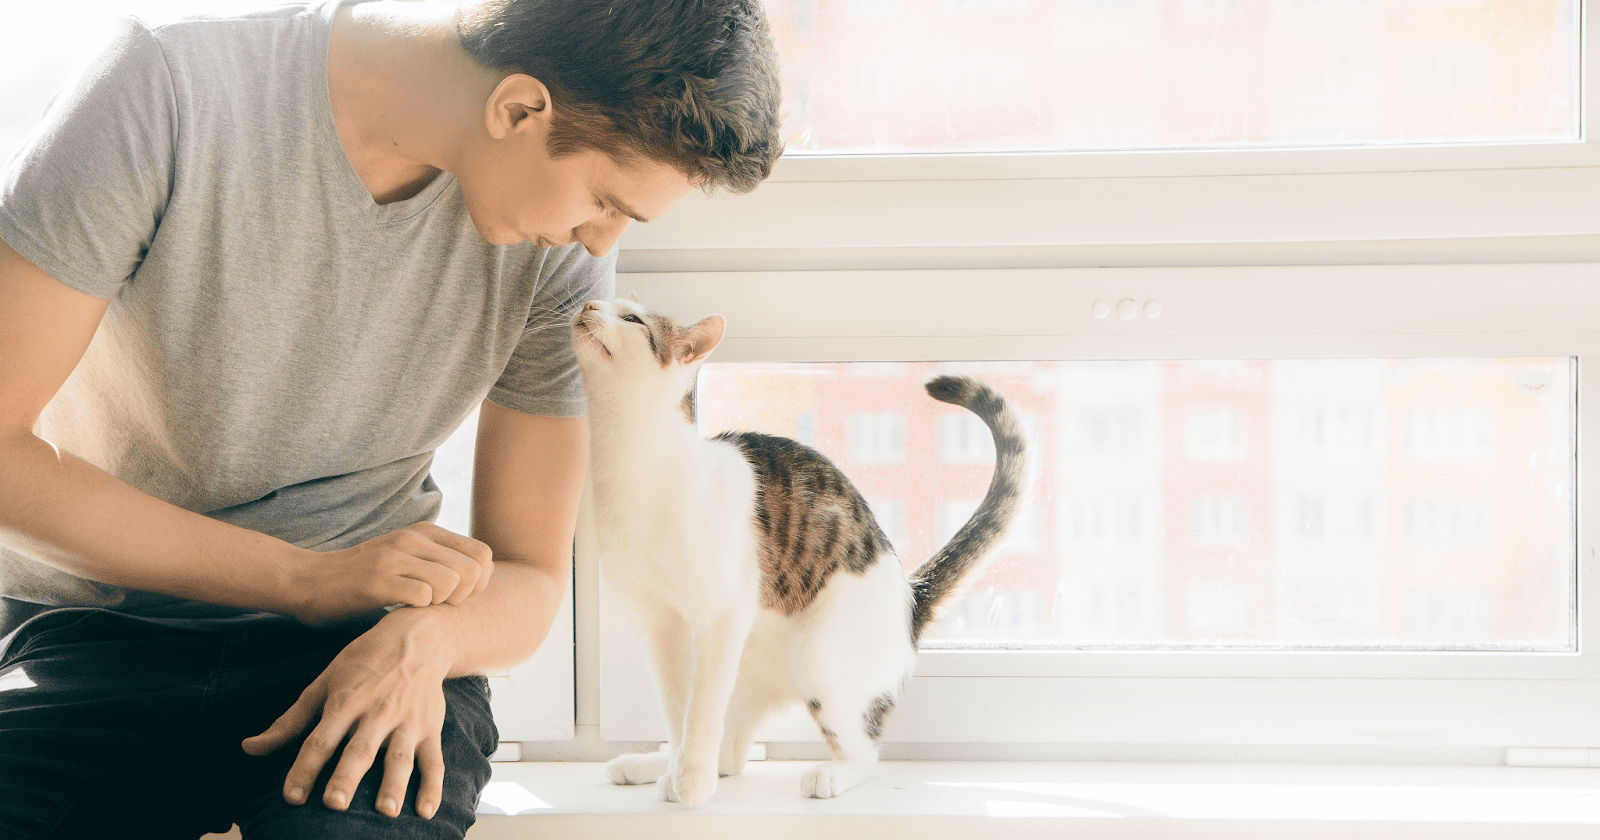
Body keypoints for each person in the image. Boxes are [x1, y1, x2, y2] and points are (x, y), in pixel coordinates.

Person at [0, 0, 781, 836]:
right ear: (518, 109)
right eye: (606, 201)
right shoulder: (161, 94)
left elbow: (531, 573)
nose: (601, 244)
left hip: (380, 648)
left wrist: (430, 644)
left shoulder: (557, 258)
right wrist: (303, 580)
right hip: (87, 643)